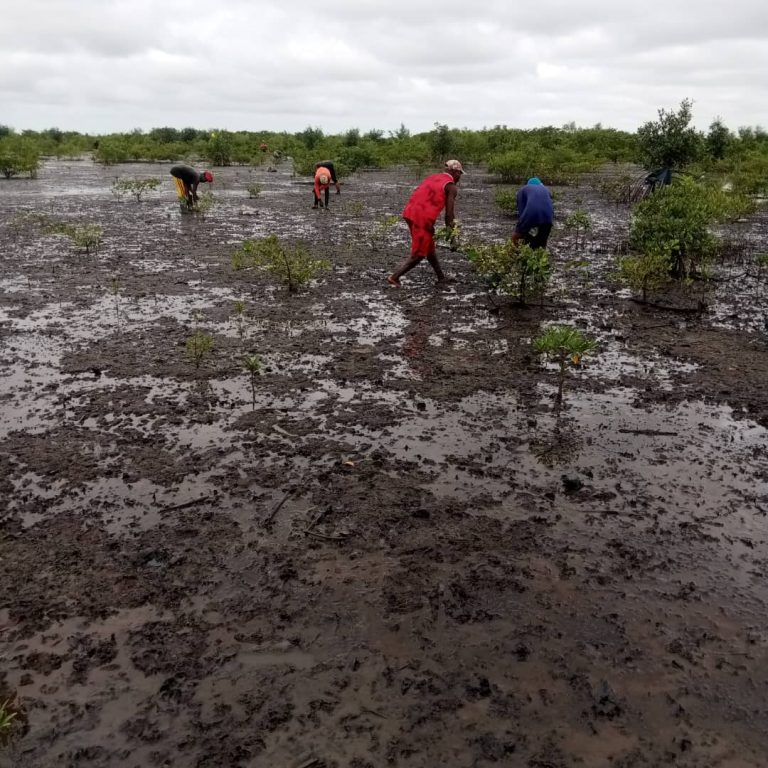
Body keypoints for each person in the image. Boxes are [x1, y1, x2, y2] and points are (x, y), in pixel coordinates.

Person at [387, 159, 464, 288]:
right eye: (459, 173)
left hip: (410, 211)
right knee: (419, 253)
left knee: (429, 247)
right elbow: (449, 215)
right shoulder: (451, 186)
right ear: (454, 171)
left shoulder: (433, 177)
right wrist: (453, 238)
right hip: (422, 217)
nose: (460, 177)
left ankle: (441, 277)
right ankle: (394, 277)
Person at [511, 177, 554, 249]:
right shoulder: (546, 189)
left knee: (516, 236)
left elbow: (522, 211)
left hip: (531, 213)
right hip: (549, 216)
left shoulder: (523, 189)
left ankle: (515, 254)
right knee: (543, 239)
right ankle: (541, 254)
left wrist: (522, 229)